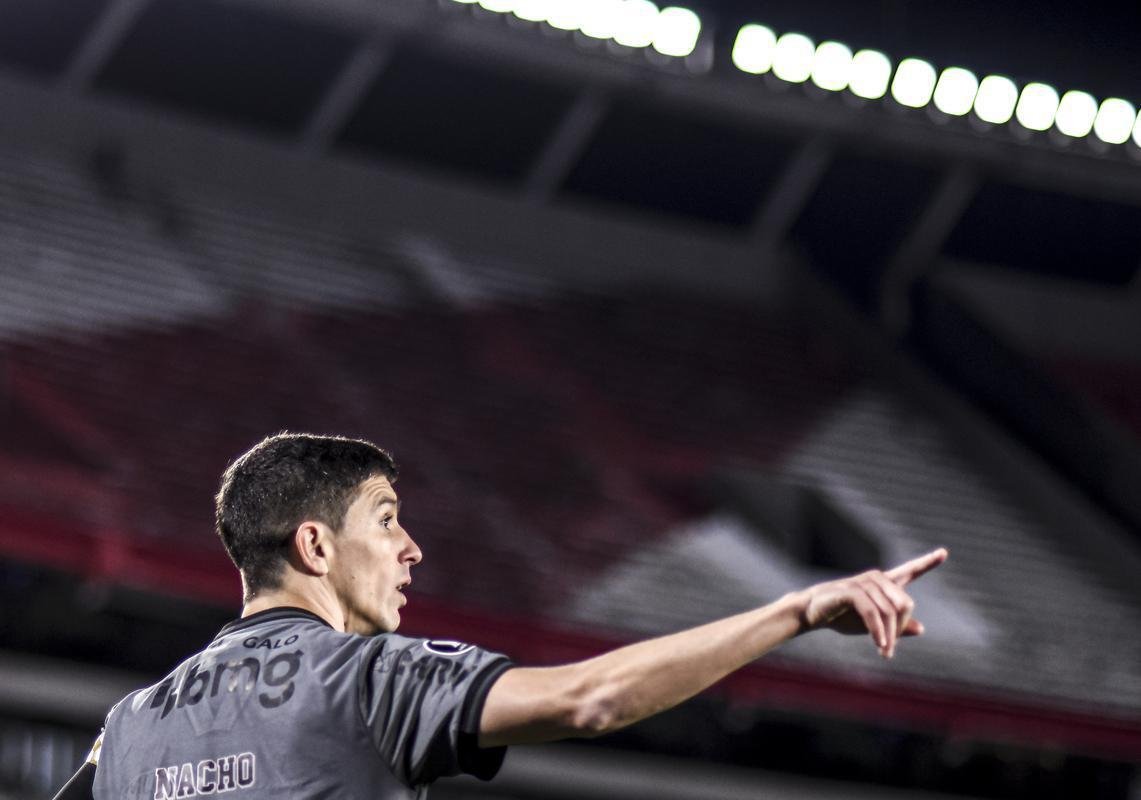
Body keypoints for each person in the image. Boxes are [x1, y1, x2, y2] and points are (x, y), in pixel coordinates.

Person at [53, 432, 948, 800]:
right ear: (317, 547)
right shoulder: (367, 678)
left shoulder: (126, 730)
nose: (412, 551)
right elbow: (592, 697)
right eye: (388, 519)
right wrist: (792, 612)